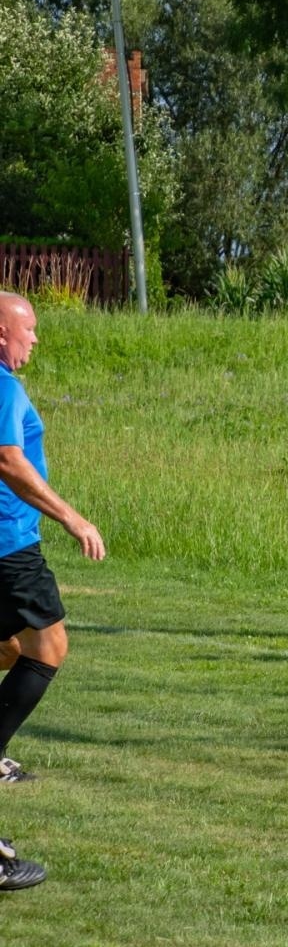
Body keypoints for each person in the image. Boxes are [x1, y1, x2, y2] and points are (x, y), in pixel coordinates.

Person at [0, 292, 106, 784]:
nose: (36, 338)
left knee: (10, 649)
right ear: (2, 332)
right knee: (47, 646)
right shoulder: (3, 387)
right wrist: (72, 518)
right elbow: (8, 460)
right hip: (9, 544)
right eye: (29, 328)